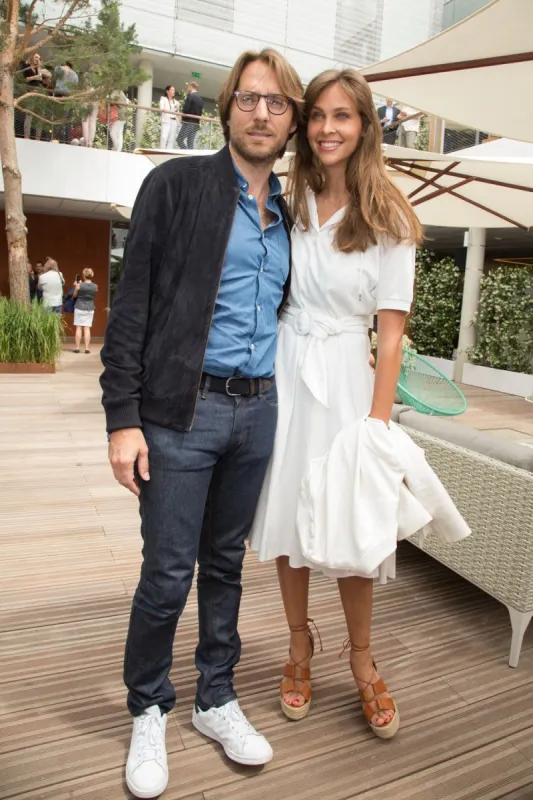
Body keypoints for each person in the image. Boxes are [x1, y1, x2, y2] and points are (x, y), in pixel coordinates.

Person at [100, 48, 304, 799]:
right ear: (226, 109)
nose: (260, 114)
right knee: (166, 572)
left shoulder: (289, 211)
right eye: (248, 99)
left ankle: (215, 697)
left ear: (292, 121)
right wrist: (123, 418)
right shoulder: (176, 185)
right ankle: (149, 704)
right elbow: (131, 309)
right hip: (180, 413)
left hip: (259, 411)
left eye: (276, 103)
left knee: (224, 567)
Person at [249, 69, 425, 739]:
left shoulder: (390, 217)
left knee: (353, 531)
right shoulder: (287, 202)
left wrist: (376, 426)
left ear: (364, 127)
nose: (326, 127)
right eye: (317, 114)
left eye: (342, 116)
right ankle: (299, 647)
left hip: (349, 383)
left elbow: (390, 331)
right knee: (289, 518)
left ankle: (360, 658)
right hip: (284, 374)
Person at [19, 53, 43, 139]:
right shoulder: (26, 65)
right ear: (32, 57)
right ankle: (26, 136)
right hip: (29, 91)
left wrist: (39, 68)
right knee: (29, 114)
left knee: (39, 115)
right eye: (36, 57)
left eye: (39, 58)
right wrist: (36, 76)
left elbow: (40, 78)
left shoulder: (37, 68)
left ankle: (38, 137)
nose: (37, 59)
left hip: (38, 92)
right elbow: (26, 79)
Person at [73, 269, 98, 353]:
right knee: (87, 328)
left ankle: (77, 348)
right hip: (90, 307)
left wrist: (76, 285)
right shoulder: (95, 286)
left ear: (84, 275)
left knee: (78, 327)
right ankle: (87, 348)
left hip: (79, 306)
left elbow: (74, 295)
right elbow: (94, 292)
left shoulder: (79, 285)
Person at [54, 61, 79, 143]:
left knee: (58, 117)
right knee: (67, 118)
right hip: (69, 96)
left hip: (59, 94)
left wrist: (61, 67)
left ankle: (55, 138)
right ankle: (66, 139)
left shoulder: (61, 69)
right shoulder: (75, 74)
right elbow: (75, 85)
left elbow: (56, 70)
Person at [177, 81, 203, 149]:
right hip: (196, 123)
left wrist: (182, 117)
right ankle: (191, 157)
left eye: (188, 86)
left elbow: (186, 108)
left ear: (191, 86)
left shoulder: (190, 95)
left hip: (188, 122)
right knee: (190, 142)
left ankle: (187, 154)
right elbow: (200, 112)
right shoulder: (200, 99)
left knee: (179, 140)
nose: (188, 88)